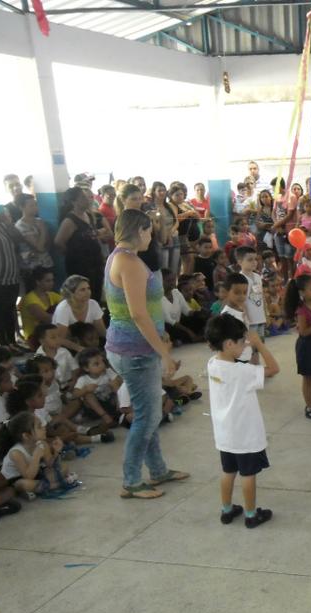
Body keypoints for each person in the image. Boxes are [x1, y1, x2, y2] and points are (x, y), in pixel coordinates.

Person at [105, 209, 188, 499]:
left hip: (134, 347)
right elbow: (138, 314)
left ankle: (157, 470)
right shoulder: (127, 261)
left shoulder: (122, 257)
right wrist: (163, 353)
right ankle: (131, 480)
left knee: (149, 413)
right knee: (147, 417)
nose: (152, 236)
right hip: (135, 351)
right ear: (139, 230)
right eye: (149, 230)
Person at [206, 314, 279, 529]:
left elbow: (235, 360)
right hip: (245, 434)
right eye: (241, 342)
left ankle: (227, 510)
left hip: (225, 433)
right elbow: (274, 369)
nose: (245, 344)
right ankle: (250, 514)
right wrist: (259, 345)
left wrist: (246, 347)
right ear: (229, 344)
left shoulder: (212, 364)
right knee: (248, 474)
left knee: (228, 471)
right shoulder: (243, 371)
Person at [284, 273, 311, 421]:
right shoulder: (302, 310)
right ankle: (310, 407)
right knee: (308, 378)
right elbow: (303, 332)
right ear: (302, 292)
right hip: (305, 346)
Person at [1, 411, 76, 498]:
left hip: (36, 473)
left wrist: (57, 452)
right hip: (16, 480)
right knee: (24, 484)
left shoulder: (42, 444)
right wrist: (36, 456)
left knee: (64, 468)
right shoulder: (16, 453)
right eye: (39, 427)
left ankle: (38, 489)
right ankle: (57, 484)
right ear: (26, 436)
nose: (44, 427)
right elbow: (29, 476)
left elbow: (50, 464)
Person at [0, 192, 26, 351]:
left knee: (10, 311)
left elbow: (18, 238)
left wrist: (9, 223)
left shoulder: (1, 220)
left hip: (11, 276)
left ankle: (12, 342)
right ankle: (3, 345)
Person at [54, 187, 108, 302]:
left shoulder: (88, 215)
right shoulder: (70, 220)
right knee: (84, 297)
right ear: (74, 201)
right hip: (81, 266)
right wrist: (74, 253)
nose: (87, 199)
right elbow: (59, 242)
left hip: (95, 264)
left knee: (96, 294)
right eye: (83, 197)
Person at [52, 274, 106, 353]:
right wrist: (81, 349)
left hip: (89, 345)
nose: (87, 292)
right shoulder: (63, 309)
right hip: (67, 348)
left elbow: (102, 332)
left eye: (88, 288)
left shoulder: (93, 304)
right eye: (82, 290)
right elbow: (60, 339)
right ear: (71, 293)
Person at [72, 347, 121, 429]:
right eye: (96, 364)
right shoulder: (83, 379)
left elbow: (119, 382)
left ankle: (121, 409)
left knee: (116, 384)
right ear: (86, 368)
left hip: (111, 403)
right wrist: (85, 390)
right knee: (88, 395)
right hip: (95, 409)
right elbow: (75, 394)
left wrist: (114, 383)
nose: (102, 365)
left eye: (102, 361)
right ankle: (106, 417)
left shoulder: (108, 372)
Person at [13, 193, 52, 285]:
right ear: (22, 207)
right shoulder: (21, 226)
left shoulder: (39, 221)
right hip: (32, 268)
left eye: (35, 204)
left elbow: (48, 244)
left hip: (46, 263)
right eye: (31, 205)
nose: (35, 207)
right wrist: (42, 229)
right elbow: (40, 248)